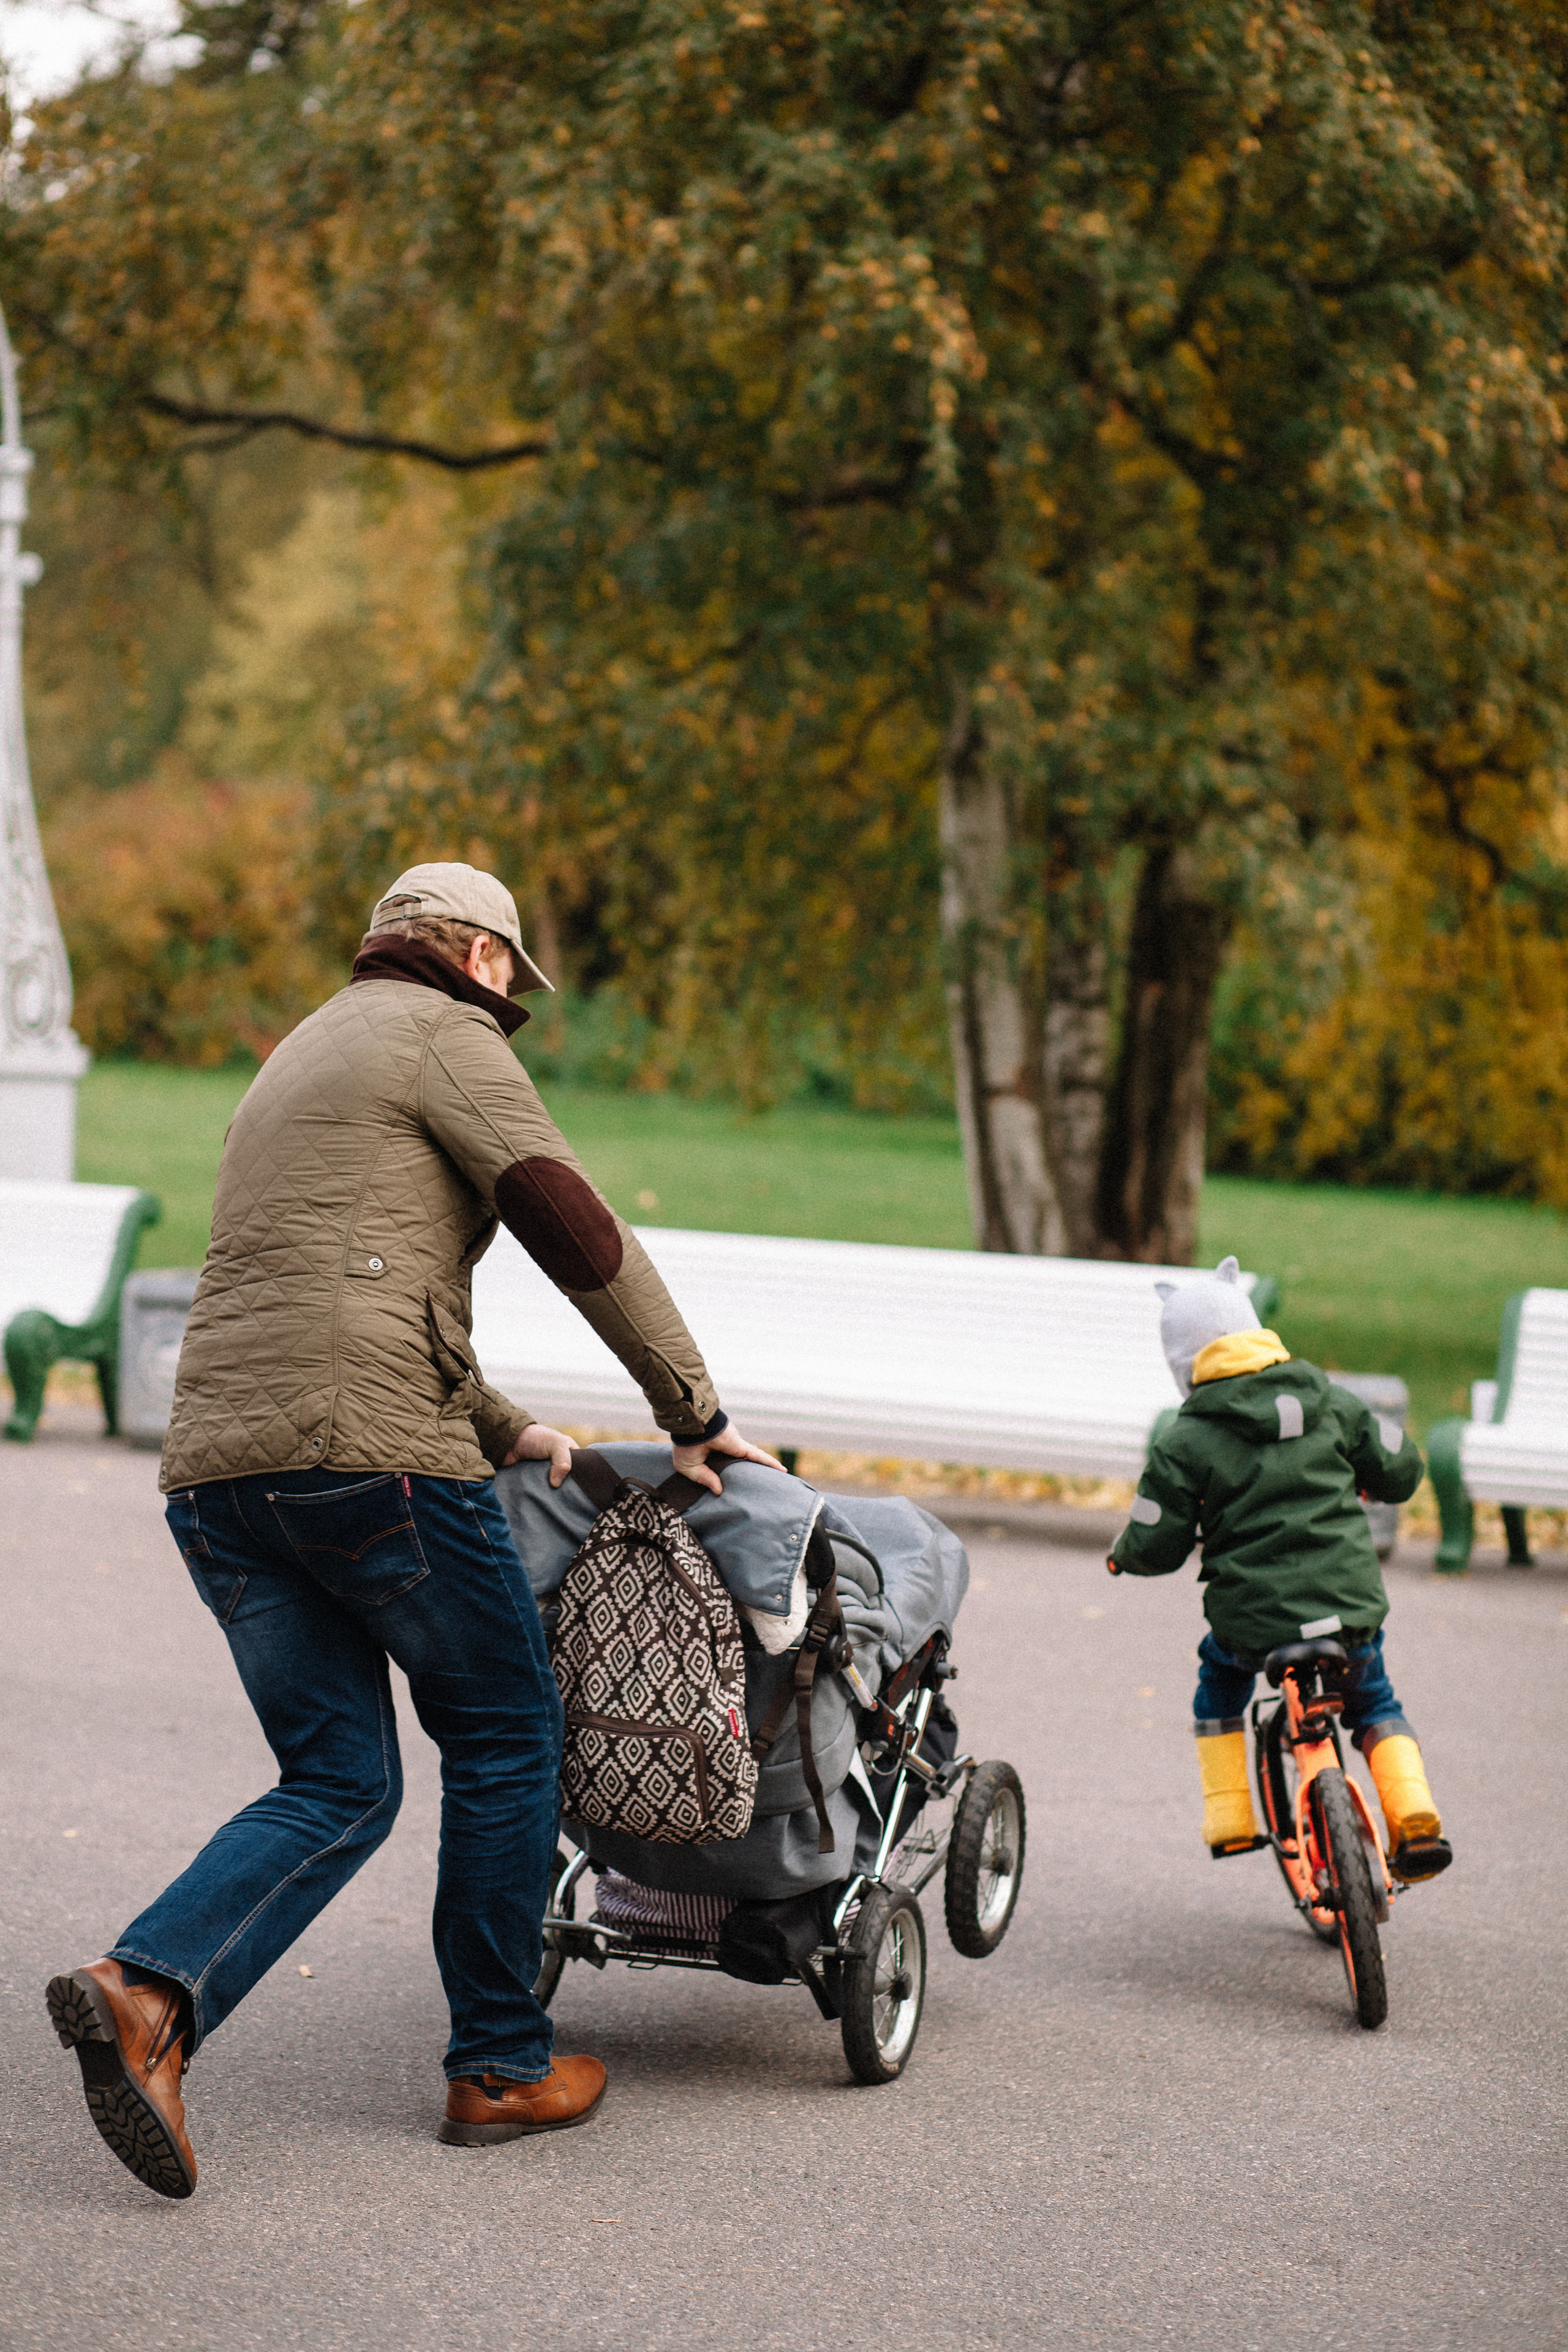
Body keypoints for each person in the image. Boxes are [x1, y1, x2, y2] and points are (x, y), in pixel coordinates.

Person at [45, 861, 781, 2199]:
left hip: (216, 1471)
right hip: (368, 1464)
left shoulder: (298, 1056)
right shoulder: (448, 1035)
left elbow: (326, 1283)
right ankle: (499, 2063)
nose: (512, 1007)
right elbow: (573, 1224)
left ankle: (145, 1992)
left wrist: (504, 1430)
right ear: (479, 957)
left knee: (337, 1780)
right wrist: (693, 1407)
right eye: (513, 982)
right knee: (507, 1733)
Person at [1107, 1256, 1453, 1880]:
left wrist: (1122, 1555)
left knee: (1220, 1680)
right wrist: (1368, 1478)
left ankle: (1230, 1817)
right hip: (1348, 1607)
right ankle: (1413, 1810)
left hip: (1253, 1625)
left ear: (1184, 1364)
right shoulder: (1329, 1401)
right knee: (1373, 1700)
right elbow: (1400, 1470)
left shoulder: (1184, 1441)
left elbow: (1156, 1541)